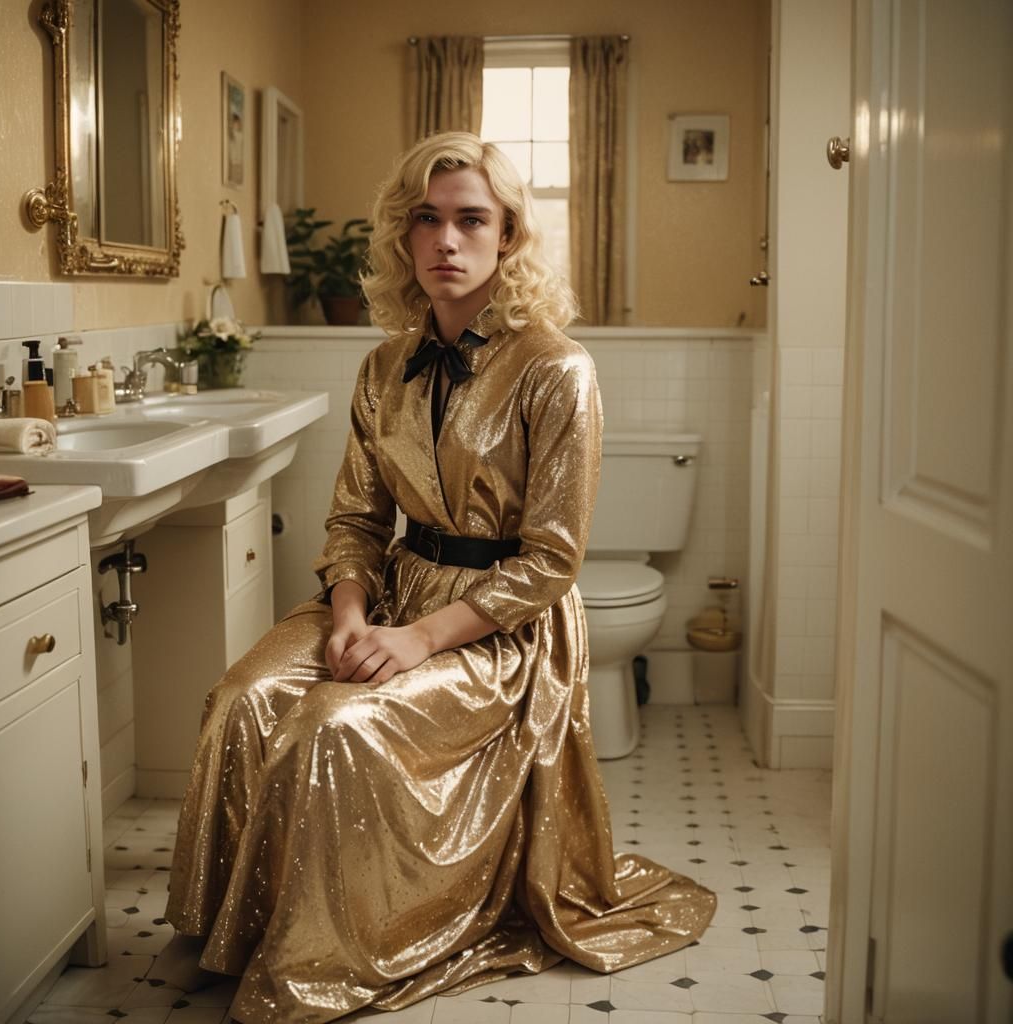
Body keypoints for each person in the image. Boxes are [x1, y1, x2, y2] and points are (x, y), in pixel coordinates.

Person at [161, 131, 716, 1024]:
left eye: (471, 220)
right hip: (385, 592)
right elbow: (355, 521)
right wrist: (348, 612)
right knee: (241, 696)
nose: (446, 241)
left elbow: (551, 560)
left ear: (508, 238)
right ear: (403, 234)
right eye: (427, 219)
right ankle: (226, 929)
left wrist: (416, 639)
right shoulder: (382, 366)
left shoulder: (556, 368)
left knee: (328, 729)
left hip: (502, 625)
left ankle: (325, 955)